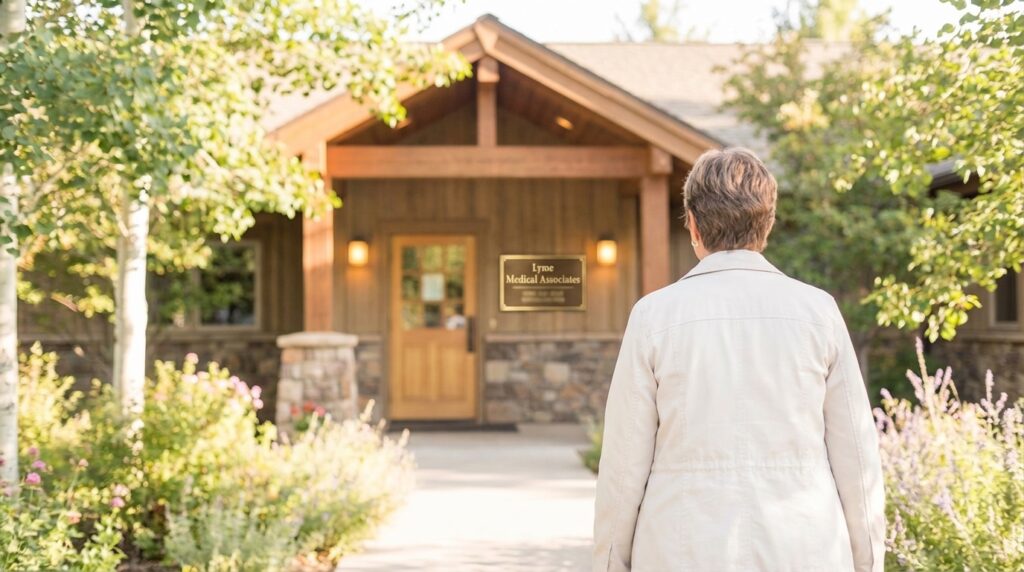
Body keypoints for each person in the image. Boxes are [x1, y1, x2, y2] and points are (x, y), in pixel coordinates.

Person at [593, 148, 885, 572]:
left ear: (692, 225)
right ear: (766, 225)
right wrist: (869, 563)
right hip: (805, 546)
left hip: (681, 549)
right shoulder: (818, 312)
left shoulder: (654, 317)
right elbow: (857, 458)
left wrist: (608, 564)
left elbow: (623, 466)